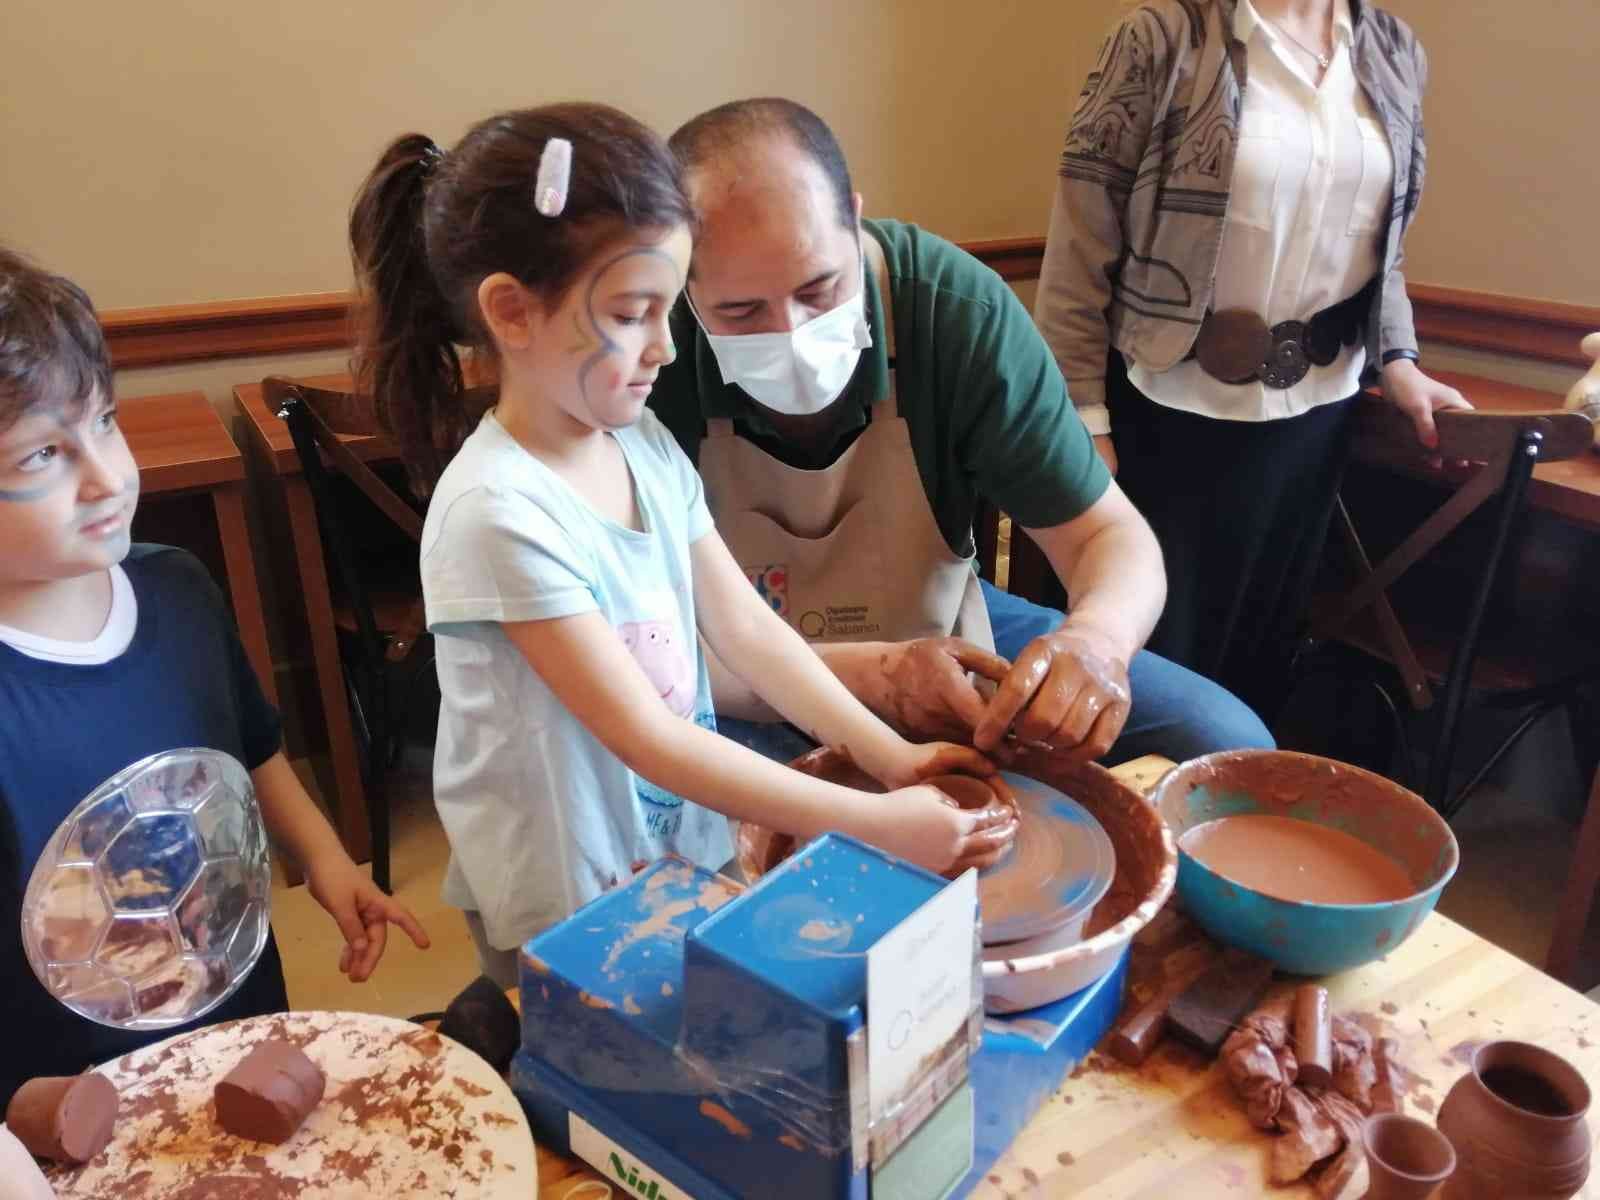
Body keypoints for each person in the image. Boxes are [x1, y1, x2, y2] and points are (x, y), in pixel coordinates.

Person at [349, 103, 1012, 988]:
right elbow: (650, 740)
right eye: (633, 313)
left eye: (672, 308)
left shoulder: (638, 442)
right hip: (566, 905)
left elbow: (753, 633)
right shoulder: (498, 513)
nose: (667, 347)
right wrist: (873, 821)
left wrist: (886, 756)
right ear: (510, 311)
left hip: (672, 854)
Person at [649, 97, 1273, 768]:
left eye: (821, 290)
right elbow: (634, 647)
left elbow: (1109, 536)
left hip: (939, 623)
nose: (792, 336)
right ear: (681, 281)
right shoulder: (646, 351)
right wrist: (879, 677)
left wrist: (1094, 643)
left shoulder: (952, 312)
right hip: (733, 672)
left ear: (854, 220)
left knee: (1223, 740)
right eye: (740, 312)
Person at [0, 248, 429, 1108]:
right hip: (69, 1093)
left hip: (239, 1029)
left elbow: (250, 747)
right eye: (42, 456)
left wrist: (327, 860)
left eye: (106, 423)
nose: (105, 477)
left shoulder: (178, 588)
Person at [1034, 0, 1467, 715]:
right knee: (1142, 671)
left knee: (1258, 659)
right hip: (1160, 411)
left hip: (1314, 416)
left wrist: (1400, 359)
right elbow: (1081, 240)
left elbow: (1384, 244)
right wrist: (1083, 416)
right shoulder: (1164, 36)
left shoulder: (1391, 48)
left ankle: (1219, 816)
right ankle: (1120, 825)